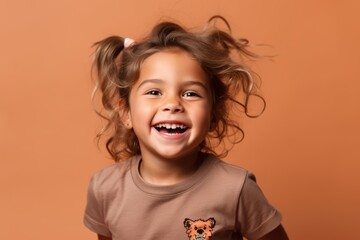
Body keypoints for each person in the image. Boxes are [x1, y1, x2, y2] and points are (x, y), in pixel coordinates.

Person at [84, 16, 289, 240]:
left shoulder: (236, 189)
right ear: (126, 113)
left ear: (213, 114)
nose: (172, 104)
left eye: (190, 93)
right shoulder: (105, 189)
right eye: (154, 92)